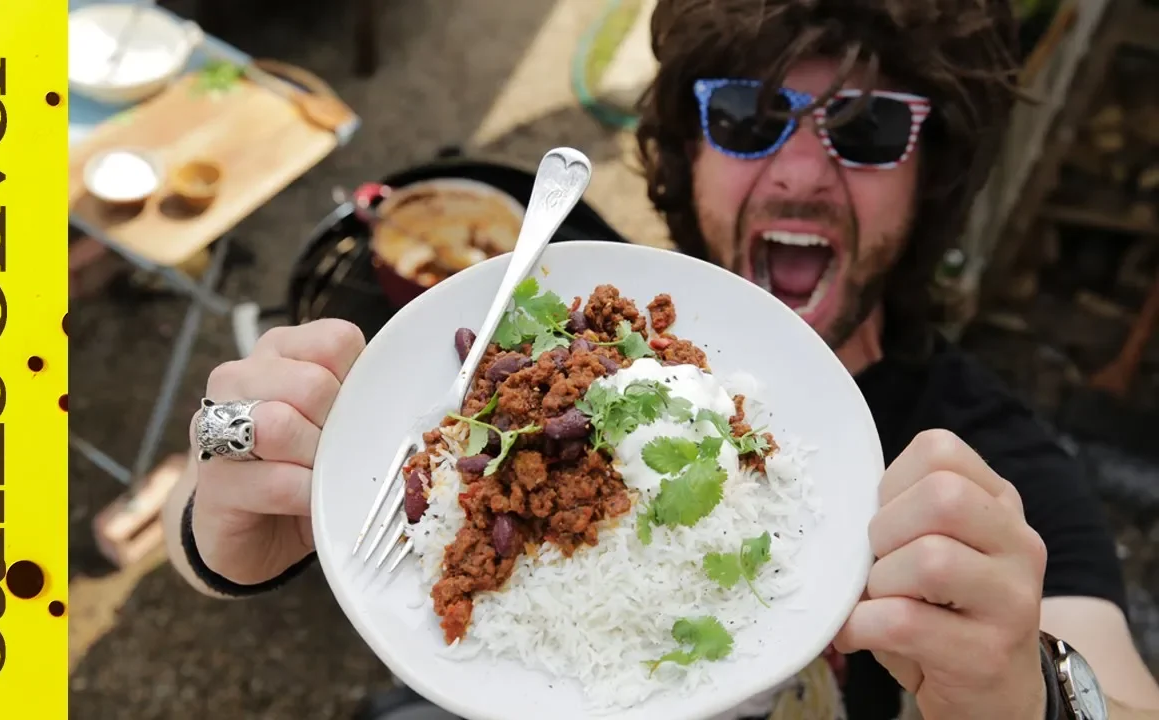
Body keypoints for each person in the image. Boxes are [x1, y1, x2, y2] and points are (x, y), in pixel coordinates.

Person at [162, 0, 1159, 717]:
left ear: (934, 174)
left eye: (865, 128)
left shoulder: (990, 460)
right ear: (685, 146)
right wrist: (218, 526)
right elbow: (205, 532)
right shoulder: (564, 347)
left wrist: (1039, 698)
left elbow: (1118, 683)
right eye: (745, 116)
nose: (800, 173)